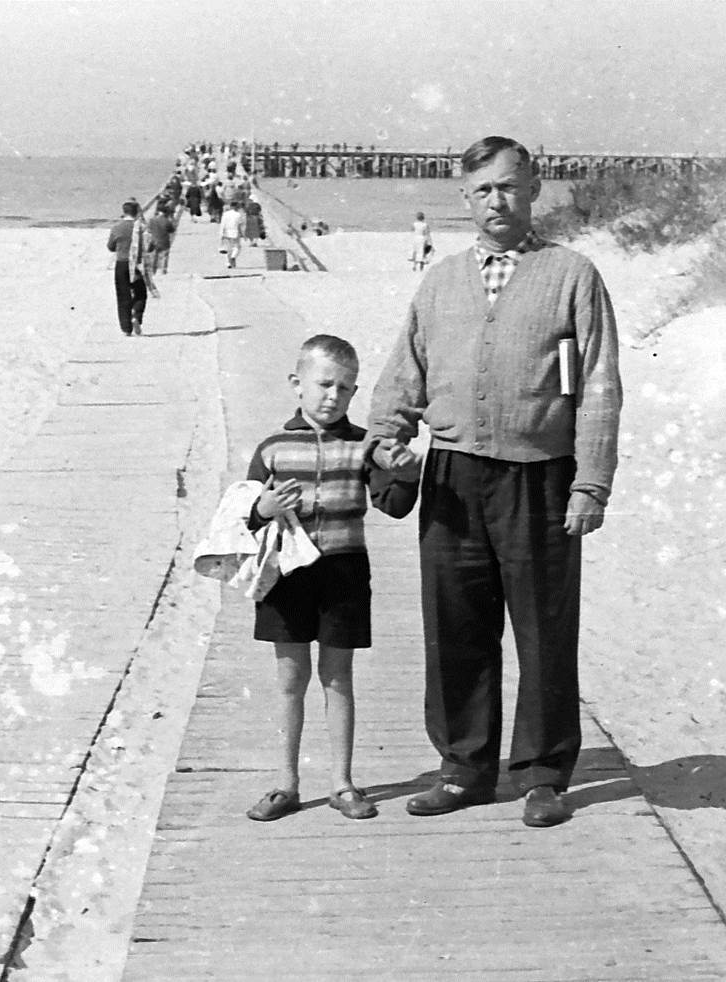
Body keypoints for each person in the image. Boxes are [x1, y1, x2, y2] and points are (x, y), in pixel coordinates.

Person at [367, 135, 622, 829]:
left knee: (543, 629)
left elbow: (599, 386)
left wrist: (591, 483)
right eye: (482, 190)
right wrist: (383, 439)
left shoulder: (572, 276)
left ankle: (542, 774)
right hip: (452, 476)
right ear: (465, 198)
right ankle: (464, 769)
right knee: (455, 625)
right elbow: (403, 373)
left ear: (534, 188)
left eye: (509, 186)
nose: (496, 201)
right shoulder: (440, 281)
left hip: (539, 477)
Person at [243, 335, 419, 822]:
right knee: (290, 679)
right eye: (323, 385)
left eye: (344, 389)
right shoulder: (273, 448)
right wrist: (263, 507)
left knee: (338, 677)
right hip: (285, 574)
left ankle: (342, 783)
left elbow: (396, 505)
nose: (332, 397)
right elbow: (240, 514)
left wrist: (407, 472)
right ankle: (286, 783)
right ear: (297, 384)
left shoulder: (365, 446)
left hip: (343, 572)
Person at [105, 199, 146, 336]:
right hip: (136, 264)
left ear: (124, 212)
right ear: (136, 212)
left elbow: (110, 247)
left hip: (121, 263)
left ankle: (126, 328)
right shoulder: (139, 228)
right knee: (141, 293)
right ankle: (136, 315)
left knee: (123, 296)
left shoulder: (117, 227)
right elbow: (147, 245)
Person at [143, 200, 175, 292]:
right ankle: (163, 271)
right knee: (164, 257)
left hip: (154, 241)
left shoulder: (152, 220)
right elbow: (171, 230)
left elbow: (148, 230)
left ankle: (153, 271)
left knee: (154, 257)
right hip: (164, 242)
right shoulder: (166, 221)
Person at [219, 200, 246, 268]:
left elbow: (222, 224)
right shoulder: (238, 215)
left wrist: (221, 233)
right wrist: (243, 234)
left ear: (230, 206)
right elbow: (240, 225)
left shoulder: (225, 214)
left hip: (226, 233)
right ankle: (233, 257)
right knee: (237, 247)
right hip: (235, 232)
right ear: (237, 207)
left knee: (228, 249)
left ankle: (228, 263)